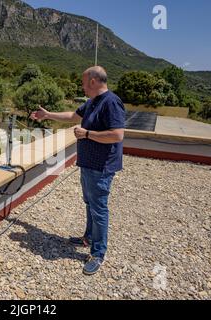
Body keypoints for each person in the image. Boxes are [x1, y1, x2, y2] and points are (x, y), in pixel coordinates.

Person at [30, 66, 126, 275]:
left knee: (99, 208)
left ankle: (98, 253)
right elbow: (73, 116)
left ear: (93, 81)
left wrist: (88, 134)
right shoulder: (92, 102)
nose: (81, 86)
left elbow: (117, 135)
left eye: (83, 82)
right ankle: (88, 238)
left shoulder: (111, 102)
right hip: (89, 164)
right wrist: (47, 115)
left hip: (101, 166)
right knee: (90, 203)